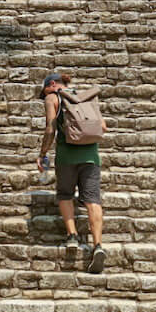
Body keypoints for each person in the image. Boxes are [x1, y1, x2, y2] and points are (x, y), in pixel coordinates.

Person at [36, 72, 106, 272]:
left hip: (66, 156)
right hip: (91, 156)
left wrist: (42, 154)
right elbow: (103, 127)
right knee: (93, 199)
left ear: (51, 85)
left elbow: (50, 129)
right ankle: (98, 245)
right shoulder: (88, 96)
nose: (44, 95)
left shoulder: (53, 98)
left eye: (44, 91)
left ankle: (72, 236)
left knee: (65, 194)